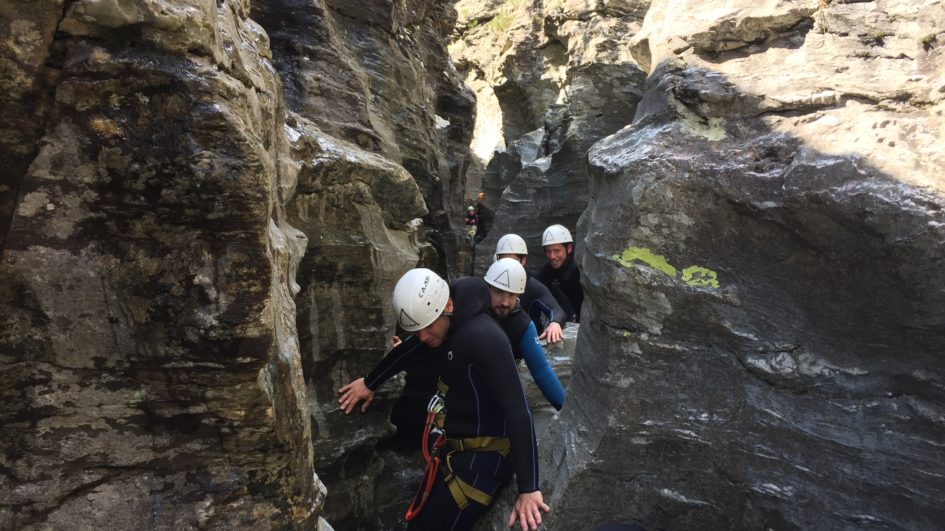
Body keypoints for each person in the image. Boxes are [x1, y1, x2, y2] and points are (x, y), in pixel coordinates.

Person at [338, 269, 549, 530]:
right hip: (457, 449)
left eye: (427, 328)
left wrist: (529, 489)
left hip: (483, 463)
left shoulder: (484, 337)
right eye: (417, 330)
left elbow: (519, 410)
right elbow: (411, 347)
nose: (424, 337)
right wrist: (370, 383)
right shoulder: (445, 315)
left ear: (447, 306)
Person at [484, 258, 565, 410]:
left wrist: (568, 410)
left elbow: (542, 372)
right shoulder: (472, 307)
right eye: (499, 292)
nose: (505, 302)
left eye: (511, 295)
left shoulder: (522, 325)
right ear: (488, 289)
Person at [494, 233, 566, 344]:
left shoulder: (532, 286)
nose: (507, 265)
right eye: (504, 260)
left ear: (523, 261)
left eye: (513, 260)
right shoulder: (491, 284)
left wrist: (555, 323)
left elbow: (556, 310)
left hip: (526, 347)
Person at [538, 224, 583, 323]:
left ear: (569, 248)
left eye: (556, 251)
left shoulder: (582, 267)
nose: (552, 256)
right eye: (548, 251)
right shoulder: (548, 271)